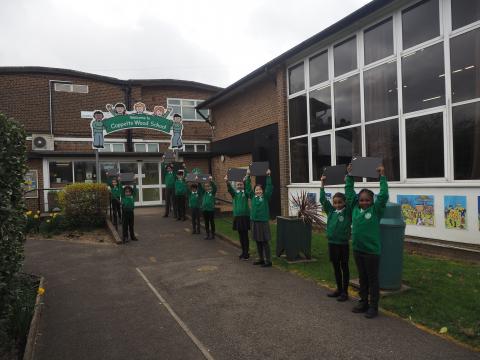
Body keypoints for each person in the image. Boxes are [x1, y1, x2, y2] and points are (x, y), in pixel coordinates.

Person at [345, 164, 388, 319]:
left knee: (372, 279)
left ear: (371, 201)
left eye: (367, 200)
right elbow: (349, 193)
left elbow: (383, 196)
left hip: (371, 252)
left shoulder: (376, 210)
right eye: (361, 200)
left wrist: (382, 177)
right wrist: (350, 175)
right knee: (362, 277)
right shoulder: (354, 208)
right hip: (357, 249)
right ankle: (362, 302)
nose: (364, 202)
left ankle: (373, 306)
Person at [320, 175, 351, 302]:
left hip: (343, 244)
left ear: (344, 203)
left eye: (340, 202)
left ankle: (345, 291)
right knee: (336, 267)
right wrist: (322, 184)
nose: (337, 205)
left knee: (344, 267)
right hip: (332, 243)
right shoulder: (331, 211)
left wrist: (347, 181)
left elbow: (350, 196)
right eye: (335, 202)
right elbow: (323, 199)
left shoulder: (348, 212)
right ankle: (338, 289)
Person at [245, 168, 273, 268]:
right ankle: (261, 259)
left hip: (263, 222)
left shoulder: (265, 197)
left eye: (260, 190)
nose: (258, 191)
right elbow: (248, 188)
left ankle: (268, 261)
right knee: (258, 241)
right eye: (256, 190)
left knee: (265, 241)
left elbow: (269, 188)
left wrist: (268, 176)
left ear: (262, 191)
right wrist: (248, 176)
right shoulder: (252, 196)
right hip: (254, 222)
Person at [225, 173, 250, 260]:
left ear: (243, 185)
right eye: (238, 184)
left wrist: (246, 179)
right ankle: (243, 252)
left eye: (241, 184)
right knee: (240, 235)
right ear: (236, 186)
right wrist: (227, 182)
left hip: (245, 217)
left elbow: (248, 188)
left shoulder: (246, 193)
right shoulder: (234, 194)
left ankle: (246, 253)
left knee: (245, 235)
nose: (239, 186)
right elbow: (230, 189)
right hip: (237, 217)